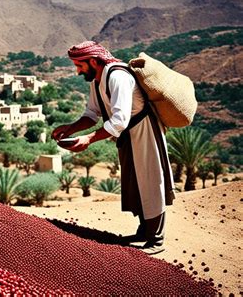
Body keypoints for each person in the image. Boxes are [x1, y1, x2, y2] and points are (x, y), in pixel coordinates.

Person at [52, 40, 175, 255]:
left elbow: (119, 120)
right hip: (127, 134)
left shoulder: (117, 76)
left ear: (92, 61)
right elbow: (92, 114)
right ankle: (144, 231)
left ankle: (156, 239)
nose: (77, 71)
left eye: (80, 65)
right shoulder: (96, 79)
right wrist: (70, 129)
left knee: (150, 180)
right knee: (134, 181)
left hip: (144, 130)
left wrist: (88, 139)